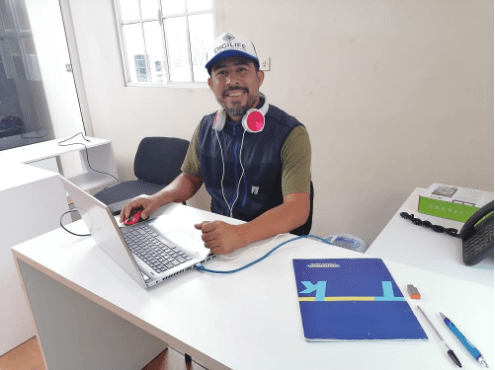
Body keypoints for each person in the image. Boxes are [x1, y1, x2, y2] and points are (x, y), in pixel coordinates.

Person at [121, 31, 312, 256]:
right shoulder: (205, 127)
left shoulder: (290, 133)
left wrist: (240, 234)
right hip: (221, 238)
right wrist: (155, 198)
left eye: (241, 69)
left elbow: (297, 209)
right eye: (222, 73)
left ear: (259, 78)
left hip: (272, 243)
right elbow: (190, 178)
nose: (232, 80)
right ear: (212, 84)